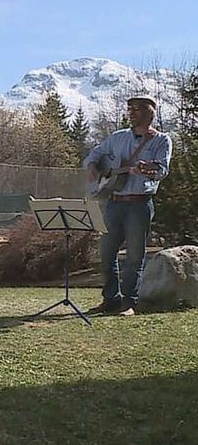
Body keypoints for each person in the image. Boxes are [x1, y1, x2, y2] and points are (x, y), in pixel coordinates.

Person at [83, 95, 172, 316]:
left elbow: (161, 170)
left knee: (134, 256)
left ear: (150, 113)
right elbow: (95, 153)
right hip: (113, 203)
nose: (131, 112)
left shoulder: (161, 140)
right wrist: (94, 166)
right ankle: (110, 300)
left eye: (137, 109)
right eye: (130, 108)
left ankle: (129, 303)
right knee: (106, 253)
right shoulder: (118, 137)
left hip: (139, 205)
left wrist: (146, 169)